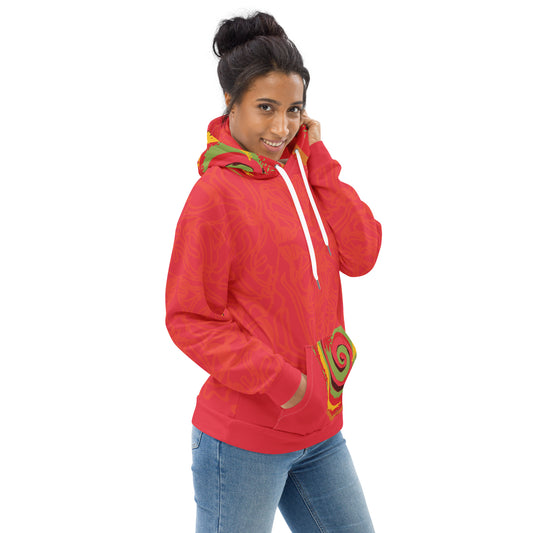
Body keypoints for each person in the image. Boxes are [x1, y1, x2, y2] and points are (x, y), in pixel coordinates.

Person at [165, 11, 382, 533]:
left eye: (293, 110)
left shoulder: (303, 174)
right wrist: (284, 383)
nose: (281, 128)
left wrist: (319, 161)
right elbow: (188, 318)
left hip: (321, 432)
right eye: (266, 108)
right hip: (243, 441)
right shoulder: (214, 196)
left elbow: (363, 255)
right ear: (230, 102)